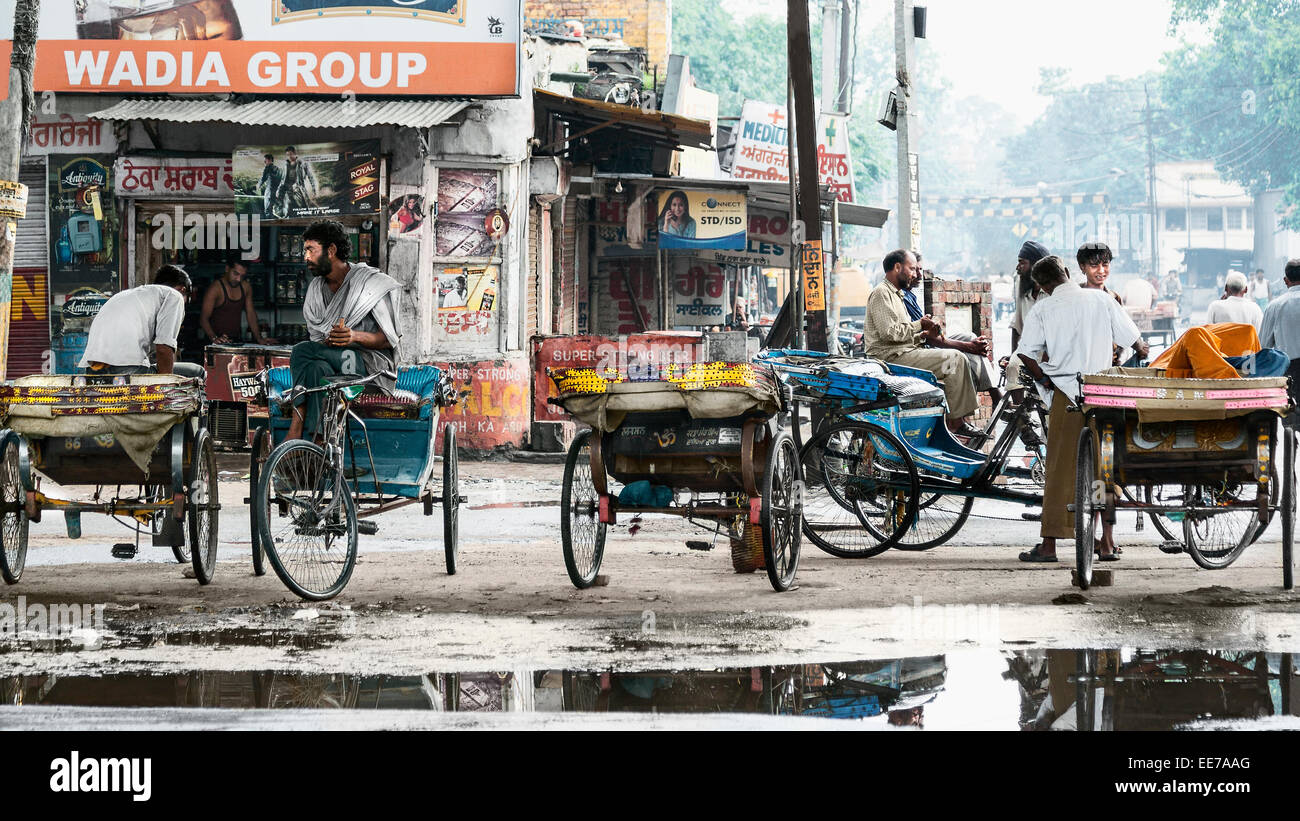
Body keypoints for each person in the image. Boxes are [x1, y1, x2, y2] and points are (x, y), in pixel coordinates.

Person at [1013, 255, 1148, 563]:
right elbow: (1136, 343)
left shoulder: (1043, 308)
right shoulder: (1100, 299)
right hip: (1103, 395)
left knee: (1060, 470)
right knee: (1103, 467)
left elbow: (1027, 354)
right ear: (1066, 273)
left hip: (1066, 396)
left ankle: (1049, 546)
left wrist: (1044, 379)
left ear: (1042, 285)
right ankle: (1106, 541)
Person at [285, 220, 402, 441]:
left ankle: (296, 428)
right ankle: (320, 444)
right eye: (305, 250)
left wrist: (353, 336)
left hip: (369, 370)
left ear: (331, 250)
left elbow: (389, 339)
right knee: (315, 369)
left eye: (311, 250)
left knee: (301, 352)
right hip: (331, 364)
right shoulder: (316, 290)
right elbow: (318, 339)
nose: (306, 257)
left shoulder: (369, 284)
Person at [864, 249, 981, 437]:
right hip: (889, 358)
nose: (915, 274)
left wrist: (924, 334)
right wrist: (920, 324)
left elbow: (901, 333)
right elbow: (890, 334)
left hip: (903, 352)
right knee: (955, 359)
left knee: (961, 358)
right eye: (911, 269)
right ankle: (956, 423)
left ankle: (958, 420)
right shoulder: (881, 293)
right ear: (897, 267)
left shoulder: (897, 294)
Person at [77, 265, 206, 380]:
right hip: (127, 371)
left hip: (92, 371)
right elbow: (164, 348)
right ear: (183, 289)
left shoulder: (126, 295)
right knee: (198, 372)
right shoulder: (174, 296)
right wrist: (165, 389)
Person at [1007, 240, 1050, 399]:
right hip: (1028, 350)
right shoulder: (1020, 284)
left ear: (1036, 266)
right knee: (1013, 367)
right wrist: (1012, 354)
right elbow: (1016, 324)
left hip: (1053, 351)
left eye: (1022, 263)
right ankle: (1022, 420)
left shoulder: (1053, 290)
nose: (1018, 267)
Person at [199, 257, 276, 345]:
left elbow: (250, 313)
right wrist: (214, 338)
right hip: (214, 340)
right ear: (227, 269)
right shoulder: (215, 289)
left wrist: (259, 338)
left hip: (235, 339)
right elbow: (203, 319)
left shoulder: (246, 287)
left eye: (242, 276)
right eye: (236, 274)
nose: (238, 279)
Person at [1259, 259, 1300, 404]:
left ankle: (1291, 427)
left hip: (1288, 369)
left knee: (1291, 411)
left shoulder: (1275, 306)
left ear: (1285, 280)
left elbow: (1263, 345)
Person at [280, 146, 319, 214]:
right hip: (288, 190)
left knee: (304, 209)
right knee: (288, 210)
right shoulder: (286, 165)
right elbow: (283, 180)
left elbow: (311, 177)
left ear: (295, 153)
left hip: (299, 189)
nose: (289, 156)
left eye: (291, 154)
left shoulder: (303, 164)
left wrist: (314, 189)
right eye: (288, 155)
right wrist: (279, 190)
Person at [257, 153, 283, 220]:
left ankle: (270, 224)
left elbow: (263, 179)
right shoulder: (278, 169)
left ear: (270, 160)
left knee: (267, 211)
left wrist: (258, 186)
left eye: (265, 160)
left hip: (269, 192)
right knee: (272, 210)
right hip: (276, 192)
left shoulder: (268, 168)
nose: (264, 162)